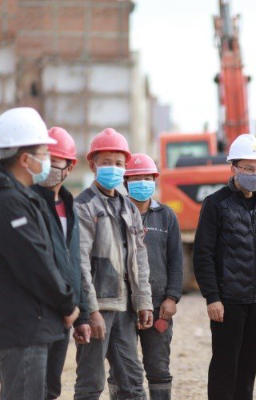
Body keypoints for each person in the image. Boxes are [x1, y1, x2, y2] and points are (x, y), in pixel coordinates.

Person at [194, 133, 256, 400]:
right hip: (228, 302)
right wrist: (212, 297)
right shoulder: (216, 204)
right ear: (233, 168)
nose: (255, 174)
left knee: (248, 368)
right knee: (225, 368)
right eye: (248, 168)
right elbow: (203, 254)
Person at [0, 108, 79, 399]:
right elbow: (35, 262)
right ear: (24, 159)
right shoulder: (10, 202)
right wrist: (67, 302)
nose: (47, 160)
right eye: (44, 153)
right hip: (24, 328)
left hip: (31, 324)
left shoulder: (22, 197)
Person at [74, 128, 154, 400]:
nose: (113, 168)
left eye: (119, 163)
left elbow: (140, 258)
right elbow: (80, 262)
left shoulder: (128, 208)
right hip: (99, 307)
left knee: (133, 381)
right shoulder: (83, 206)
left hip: (125, 308)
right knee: (90, 383)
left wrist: (144, 301)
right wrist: (91, 310)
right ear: (92, 164)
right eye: (106, 162)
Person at [107, 153, 183, 400]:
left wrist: (172, 297)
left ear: (155, 180)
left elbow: (176, 259)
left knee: (158, 367)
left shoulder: (166, 215)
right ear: (126, 182)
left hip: (159, 304)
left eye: (148, 178)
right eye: (136, 178)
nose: (143, 182)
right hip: (121, 305)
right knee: (120, 369)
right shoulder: (115, 215)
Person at [32, 126, 91, 399]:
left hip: (64, 315)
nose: (47, 165)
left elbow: (75, 265)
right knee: (29, 387)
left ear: (70, 167)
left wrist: (82, 317)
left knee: (51, 388)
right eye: (44, 157)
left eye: (54, 160)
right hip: (35, 315)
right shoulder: (28, 202)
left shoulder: (70, 206)